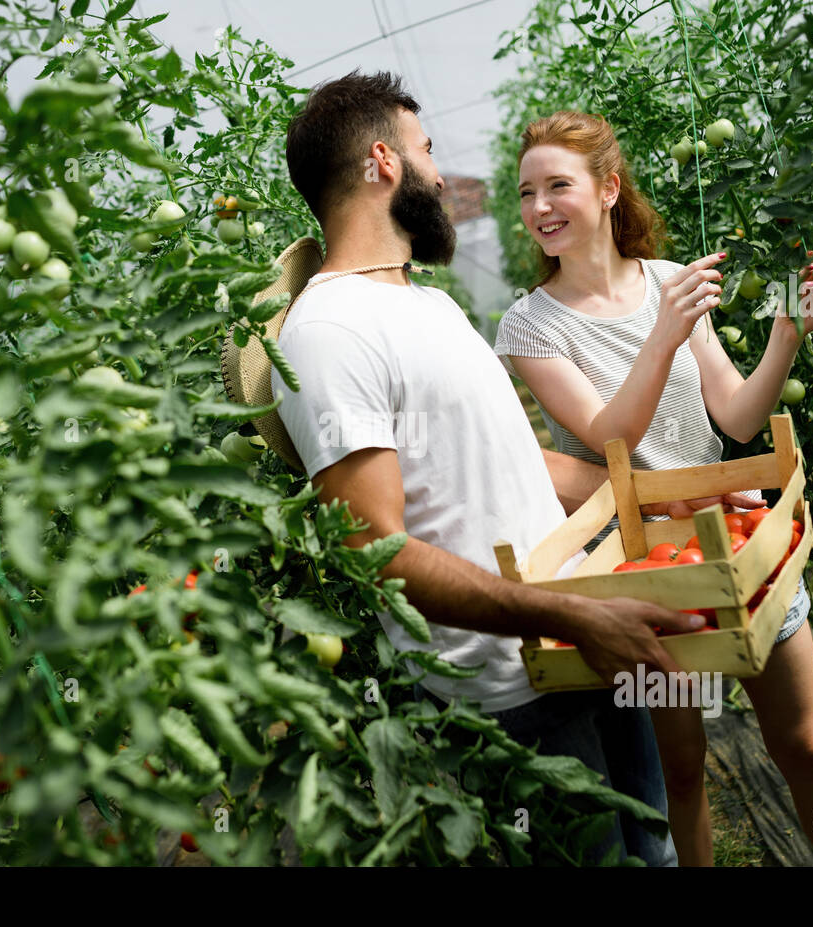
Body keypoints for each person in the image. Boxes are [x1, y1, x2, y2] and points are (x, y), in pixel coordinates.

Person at [266, 70, 762, 867]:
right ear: (384, 163)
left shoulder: (424, 304)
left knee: (657, 851)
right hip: (515, 690)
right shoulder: (330, 335)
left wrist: (683, 495)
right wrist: (568, 617)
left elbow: (518, 464)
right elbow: (371, 547)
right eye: (429, 152)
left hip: (584, 643)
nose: (441, 173)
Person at [493, 109, 813, 866]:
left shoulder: (669, 284)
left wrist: (786, 336)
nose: (539, 207)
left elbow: (734, 413)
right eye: (527, 192)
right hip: (652, 577)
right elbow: (612, 439)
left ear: (607, 189)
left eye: (557, 186)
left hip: (740, 543)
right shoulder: (531, 325)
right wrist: (663, 336)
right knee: (684, 772)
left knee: (810, 754)